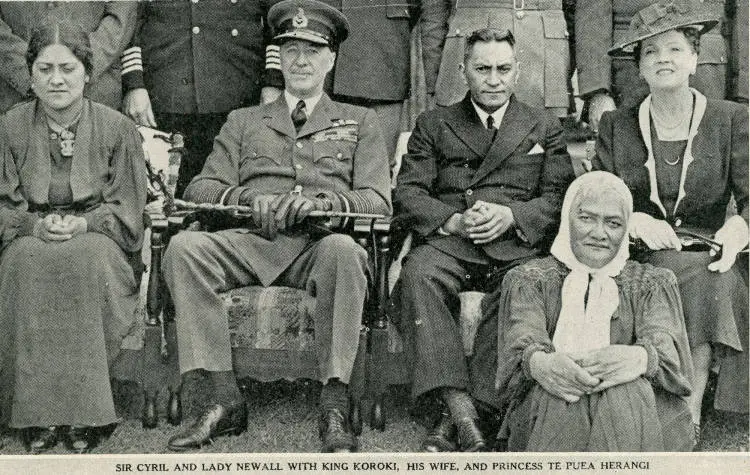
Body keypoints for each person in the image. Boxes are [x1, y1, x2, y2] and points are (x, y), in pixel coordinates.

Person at [161, 0, 391, 453]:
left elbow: (378, 200)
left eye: (312, 50)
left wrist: (323, 203)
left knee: (347, 252)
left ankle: (334, 401)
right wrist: (249, 198)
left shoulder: (360, 121)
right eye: (290, 50)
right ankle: (224, 399)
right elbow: (204, 187)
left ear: (331, 59)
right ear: (278, 57)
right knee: (184, 248)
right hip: (253, 241)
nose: (301, 61)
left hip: (317, 247)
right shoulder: (244, 121)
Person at [392, 28, 574, 452]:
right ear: (463, 71)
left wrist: (513, 215)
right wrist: (453, 221)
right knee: (417, 273)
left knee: (522, 287)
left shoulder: (543, 125)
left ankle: (455, 416)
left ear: (517, 72)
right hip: (455, 241)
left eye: (503, 69)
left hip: (516, 244)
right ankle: (462, 412)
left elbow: (560, 196)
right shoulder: (434, 123)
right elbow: (409, 192)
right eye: (483, 69)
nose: (494, 79)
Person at [592, 1, 748, 448]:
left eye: (675, 49)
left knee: (707, 278)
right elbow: (600, 192)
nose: (664, 59)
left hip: (707, 253)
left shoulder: (730, 119)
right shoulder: (617, 123)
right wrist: (634, 218)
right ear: (639, 67)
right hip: (637, 252)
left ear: (695, 59)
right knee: (678, 278)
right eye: (652, 52)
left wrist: (739, 230)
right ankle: (652, 402)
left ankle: (689, 407)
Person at [0, 21, 147, 453]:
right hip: (28, 233)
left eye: (67, 68)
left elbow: (128, 209)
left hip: (99, 236)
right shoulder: (8, 127)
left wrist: (85, 224)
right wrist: (32, 225)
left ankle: (87, 415)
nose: (56, 79)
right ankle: (35, 416)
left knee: (86, 262)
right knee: (24, 261)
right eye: (44, 69)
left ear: (87, 72)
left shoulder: (118, 128)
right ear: (30, 76)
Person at [493, 171, 695, 451]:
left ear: (625, 230)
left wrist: (637, 359)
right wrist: (542, 364)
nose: (599, 234)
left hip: (639, 414)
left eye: (613, 223)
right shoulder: (531, 280)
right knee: (560, 394)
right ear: (567, 220)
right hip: (550, 410)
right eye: (586, 218)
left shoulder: (651, 283)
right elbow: (521, 339)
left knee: (625, 390)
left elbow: (667, 347)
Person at [120, 0, 284, 198]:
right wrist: (134, 83)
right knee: (164, 196)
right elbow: (129, 18)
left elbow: (278, 20)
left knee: (227, 195)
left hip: (236, 92)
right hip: (166, 91)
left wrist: (273, 80)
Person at [576, 0, 748, 132]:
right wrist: (598, 92)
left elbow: (744, 16)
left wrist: (744, 95)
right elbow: (593, 14)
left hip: (707, 68)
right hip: (632, 71)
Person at [433, 0, 571, 118]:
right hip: (474, 40)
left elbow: (577, 10)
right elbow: (434, 9)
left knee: (543, 141)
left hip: (546, 53)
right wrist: (436, 79)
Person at [0, 1, 137, 113]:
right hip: (16, 97)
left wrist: (82, 64)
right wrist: (30, 71)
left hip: (95, 95)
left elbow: (121, 16)